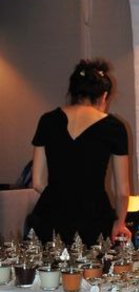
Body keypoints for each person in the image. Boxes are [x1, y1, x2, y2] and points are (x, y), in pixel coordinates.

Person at [28, 58, 132, 246]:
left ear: (73, 92)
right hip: (94, 218)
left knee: (47, 263)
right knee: (93, 264)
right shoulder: (114, 127)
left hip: (51, 217)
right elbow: (123, 191)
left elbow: (37, 182)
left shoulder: (47, 120)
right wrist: (120, 223)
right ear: (104, 95)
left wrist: (64, 196)